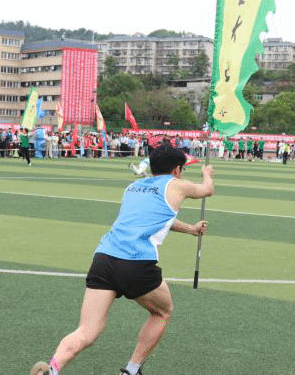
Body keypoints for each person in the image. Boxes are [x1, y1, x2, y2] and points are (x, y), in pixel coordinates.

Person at [30, 146, 214, 375]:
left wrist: (190, 229)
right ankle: (131, 370)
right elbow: (207, 190)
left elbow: (153, 218)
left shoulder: (134, 187)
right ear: (177, 169)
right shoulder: (176, 184)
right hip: (136, 262)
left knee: (87, 331)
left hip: (104, 259)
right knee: (163, 312)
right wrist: (207, 173)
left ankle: (52, 369)